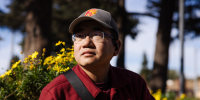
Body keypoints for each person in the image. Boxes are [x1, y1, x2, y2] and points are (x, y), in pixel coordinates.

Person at [39, 8, 155, 100]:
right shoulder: (56, 93)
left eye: (97, 34)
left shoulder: (134, 84)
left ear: (116, 47)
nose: (86, 43)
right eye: (79, 36)